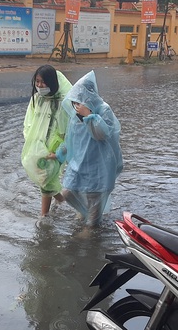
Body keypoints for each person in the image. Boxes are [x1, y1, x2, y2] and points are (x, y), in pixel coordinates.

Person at [54, 70, 123, 236]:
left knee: (95, 197)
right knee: (68, 192)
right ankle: (85, 212)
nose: (76, 104)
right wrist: (59, 153)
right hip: (80, 162)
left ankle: (91, 228)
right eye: (75, 101)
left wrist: (90, 116)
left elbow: (102, 135)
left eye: (80, 100)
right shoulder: (75, 114)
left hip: (99, 163)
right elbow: (71, 138)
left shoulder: (103, 110)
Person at [21, 65, 73, 217]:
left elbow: (66, 131)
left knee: (45, 179)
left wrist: (59, 152)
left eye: (43, 82)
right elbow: (29, 122)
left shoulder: (61, 103)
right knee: (44, 178)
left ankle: (43, 217)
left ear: (52, 82)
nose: (39, 85)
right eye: (37, 81)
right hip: (38, 145)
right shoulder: (37, 99)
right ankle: (62, 199)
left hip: (54, 149)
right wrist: (32, 143)